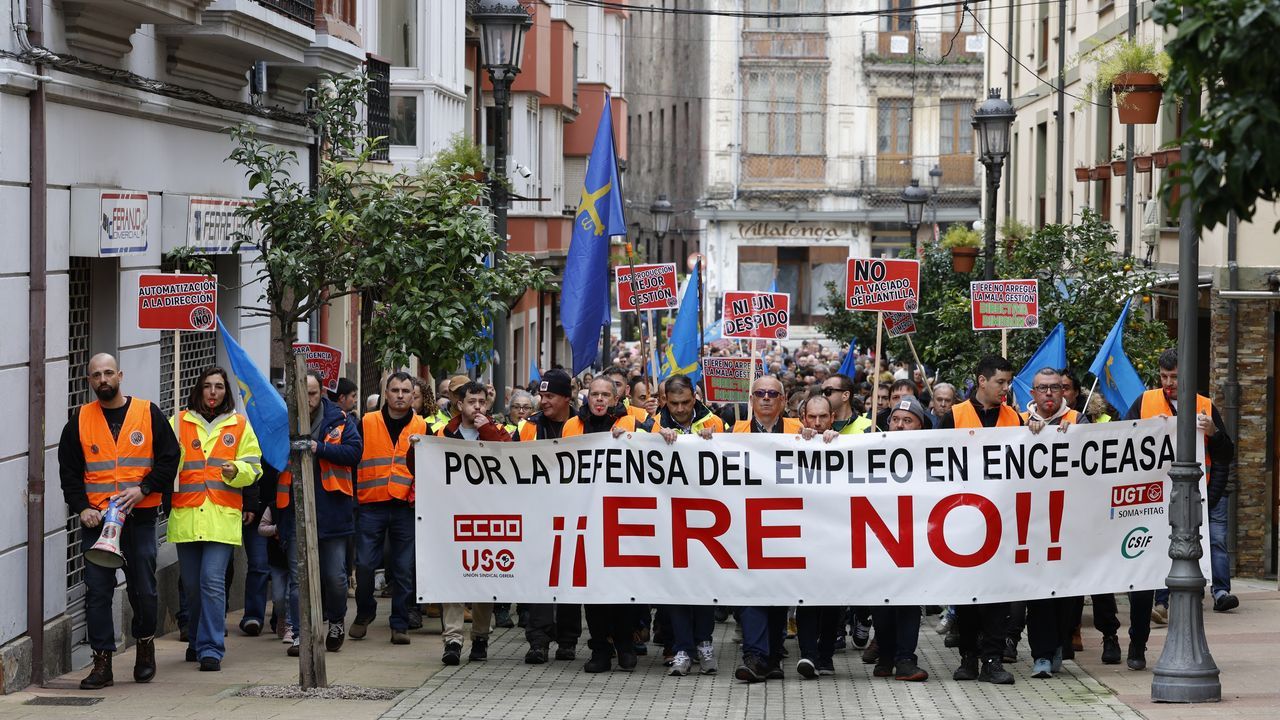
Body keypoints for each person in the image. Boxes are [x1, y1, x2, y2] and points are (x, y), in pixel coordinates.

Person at [59, 353, 179, 689]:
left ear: (120, 375)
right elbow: (68, 472)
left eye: (108, 373)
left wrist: (144, 489)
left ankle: (143, 643)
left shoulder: (147, 412)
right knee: (97, 592)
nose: (103, 380)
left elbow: (171, 459)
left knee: (143, 588)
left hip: (139, 518)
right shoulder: (80, 419)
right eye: (96, 375)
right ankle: (102, 663)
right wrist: (81, 507)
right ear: (88, 381)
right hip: (97, 523)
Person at [1121, 347, 1235, 669]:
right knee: (1144, 577)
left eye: (1175, 377)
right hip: (1148, 503)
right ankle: (1138, 643)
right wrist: (1144, 431)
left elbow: (1226, 455)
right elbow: (1116, 443)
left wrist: (1212, 433)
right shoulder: (1143, 403)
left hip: (1192, 506)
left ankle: (1186, 644)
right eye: (1164, 377)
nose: (1169, 383)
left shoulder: (1205, 406)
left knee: (1188, 577)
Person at [938, 354, 1023, 685]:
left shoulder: (1014, 418)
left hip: (999, 520)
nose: (1006, 388)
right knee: (968, 596)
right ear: (981, 380)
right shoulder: (954, 417)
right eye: (1000, 382)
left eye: (1008, 382)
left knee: (997, 596)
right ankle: (968, 659)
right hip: (961, 521)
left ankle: (993, 659)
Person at [170, 367, 262, 671]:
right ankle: (196, 640)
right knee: (193, 587)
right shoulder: (178, 422)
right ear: (199, 389)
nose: (213, 392)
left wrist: (237, 471)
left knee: (211, 582)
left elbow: (254, 466)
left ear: (226, 392)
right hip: (186, 515)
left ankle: (211, 648)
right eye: (208, 386)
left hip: (221, 517)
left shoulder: (239, 425)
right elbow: (162, 460)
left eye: (219, 387)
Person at [563, 377, 646, 673]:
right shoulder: (573, 426)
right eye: (594, 394)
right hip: (586, 515)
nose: (599, 399)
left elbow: (664, 441)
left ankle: (624, 645)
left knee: (621, 589)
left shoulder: (633, 422)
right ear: (587, 397)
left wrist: (636, 441)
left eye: (605, 395)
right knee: (593, 591)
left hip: (622, 518)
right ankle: (600, 648)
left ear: (615, 398)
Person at [280, 372, 363, 656]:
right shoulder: (286, 420)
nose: (309, 398)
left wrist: (320, 448)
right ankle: (301, 633)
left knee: (335, 577)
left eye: (313, 393)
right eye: (303, 393)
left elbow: (354, 452)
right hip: (296, 512)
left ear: (322, 392)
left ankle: (336, 620)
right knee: (298, 579)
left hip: (333, 513)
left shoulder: (339, 420)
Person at [733, 375, 803, 683]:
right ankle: (755, 656)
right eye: (759, 393)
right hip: (746, 525)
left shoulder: (800, 432)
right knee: (751, 591)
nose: (765, 398)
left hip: (787, 527)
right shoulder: (734, 432)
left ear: (783, 401)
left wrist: (823, 440)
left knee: (778, 594)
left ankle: (772, 657)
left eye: (772, 394)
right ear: (751, 399)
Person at [653, 374, 723, 676]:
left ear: (694, 398)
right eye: (674, 403)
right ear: (665, 400)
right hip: (669, 518)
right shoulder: (653, 426)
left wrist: (713, 440)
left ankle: (704, 643)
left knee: (705, 586)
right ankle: (682, 648)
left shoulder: (715, 423)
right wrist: (655, 439)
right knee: (677, 588)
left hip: (708, 518)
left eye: (685, 402)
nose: (680, 409)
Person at [435, 381, 510, 664]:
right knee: (452, 576)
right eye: (471, 402)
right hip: (453, 514)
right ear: (459, 404)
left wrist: (486, 429)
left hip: (488, 514)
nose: (476, 406)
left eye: (481, 402)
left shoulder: (498, 431)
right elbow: (423, 464)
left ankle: (480, 636)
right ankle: (453, 639)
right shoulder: (444, 433)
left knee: (484, 577)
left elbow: (510, 455)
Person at [1019, 368, 1084, 679]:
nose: (1048, 394)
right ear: (1033, 393)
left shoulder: (1079, 422)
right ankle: (1042, 655)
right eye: (1042, 388)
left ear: (1064, 392)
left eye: (1055, 388)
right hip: (1032, 523)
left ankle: (1058, 644)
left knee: (1068, 595)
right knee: (1039, 593)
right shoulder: (1018, 422)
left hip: (1070, 521)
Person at [351, 372, 423, 645]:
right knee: (366, 565)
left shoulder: (421, 425)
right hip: (372, 503)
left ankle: (399, 623)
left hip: (405, 505)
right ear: (386, 393)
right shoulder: (367, 422)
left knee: (403, 568)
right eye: (395, 390)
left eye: (406, 391)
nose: (401, 395)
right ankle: (365, 611)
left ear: (413, 394)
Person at [518, 369, 583, 663]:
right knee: (539, 576)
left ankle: (567, 639)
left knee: (569, 576)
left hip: (575, 514)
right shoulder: (528, 428)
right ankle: (539, 639)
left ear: (567, 399)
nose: (543, 401)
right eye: (541, 396)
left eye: (550, 396)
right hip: (538, 513)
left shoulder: (583, 426)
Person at [869, 397, 932, 682]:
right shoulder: (869, 448)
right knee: (881, 601)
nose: (899, 425)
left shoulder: (932, 453)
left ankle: (905, 659)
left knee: (908, 600)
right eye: (896, 420)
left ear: (920, 426)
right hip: (877, 536)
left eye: (908, 421)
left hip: (914, 537)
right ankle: (885, 657)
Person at [792, 394, 844, 680]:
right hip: (804, 533)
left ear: (832, 418)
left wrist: (839, 443)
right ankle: (808, 655)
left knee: (832, 601)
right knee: (807, 599)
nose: (817, 422)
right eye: (811, 417)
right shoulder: (793, 442)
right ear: (803, 419)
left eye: (823, 416)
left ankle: (826, 655)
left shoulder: (843, 442)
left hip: (836, 535)